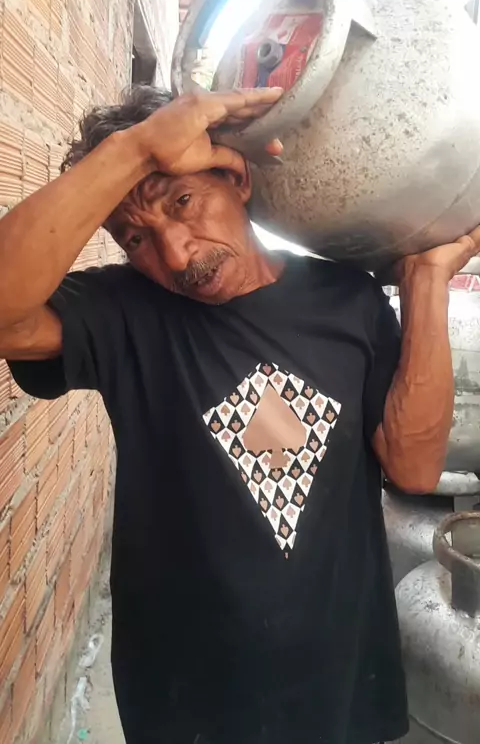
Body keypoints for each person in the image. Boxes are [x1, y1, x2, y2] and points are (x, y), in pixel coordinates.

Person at [1, 85, 478, 744]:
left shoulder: (346, 299)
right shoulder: (121, 312)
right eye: (135, 238)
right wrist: (138, 150)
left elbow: (415, 468)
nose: (175, 254)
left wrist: (425, 283)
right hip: (189, 700)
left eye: (182, 202)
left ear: (237, 177)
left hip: (337, 679)